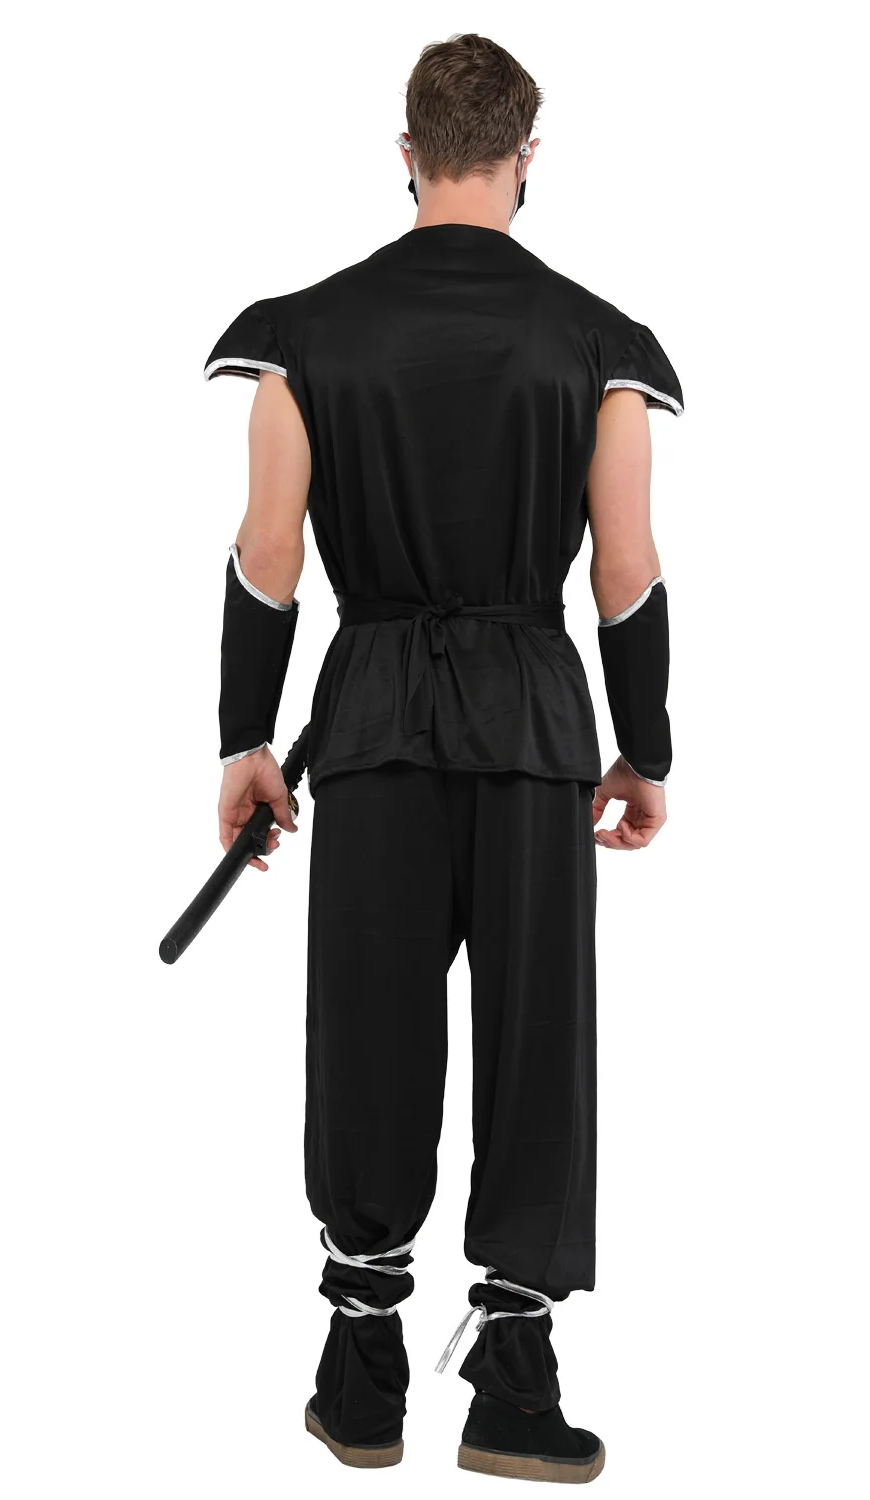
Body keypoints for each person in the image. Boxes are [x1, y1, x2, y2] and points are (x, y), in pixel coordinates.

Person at [204, 32, 683, 1484]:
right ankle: (513, 1386)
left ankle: (360, 1375)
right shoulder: (601, 345)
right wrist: (645, 748)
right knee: (537, 1043)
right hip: (533, 726)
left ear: (407, 153)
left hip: (369, 723)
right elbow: (627, 572)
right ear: (527, 158)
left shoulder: (305, 336)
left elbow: (269, 558)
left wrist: (243, 738)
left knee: (369, 1034)